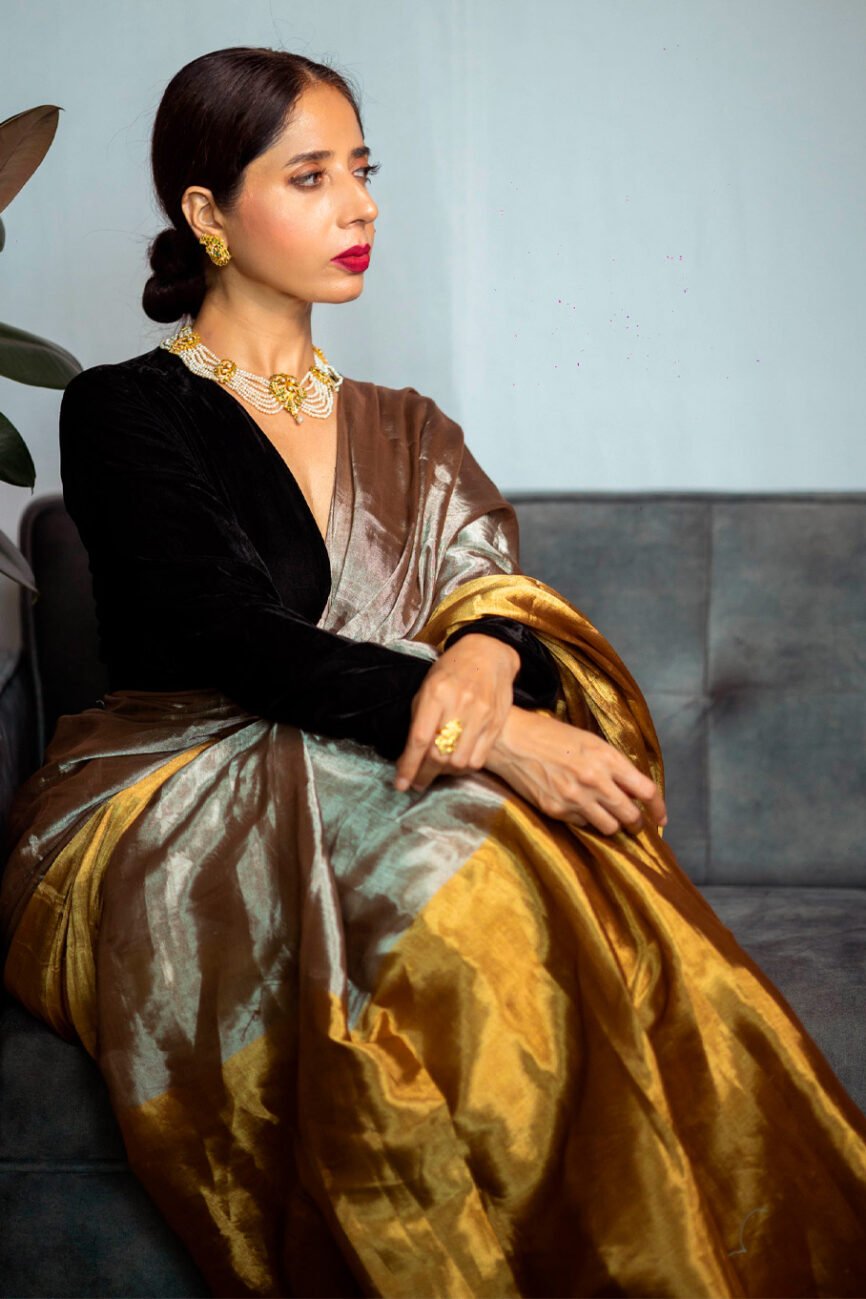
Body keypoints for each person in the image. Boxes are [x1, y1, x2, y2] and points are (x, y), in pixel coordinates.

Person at [1, 45, 865, 1299]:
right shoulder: (125, 409)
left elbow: (492, 591)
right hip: (173, 784)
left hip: (383, 750)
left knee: (567, 872)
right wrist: (493, 730)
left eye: (363, 170)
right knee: (489, 885)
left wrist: (481, 647)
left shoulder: (408, 425)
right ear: (206, 212)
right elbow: (226, 636)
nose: (359, 206)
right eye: (310, 176)